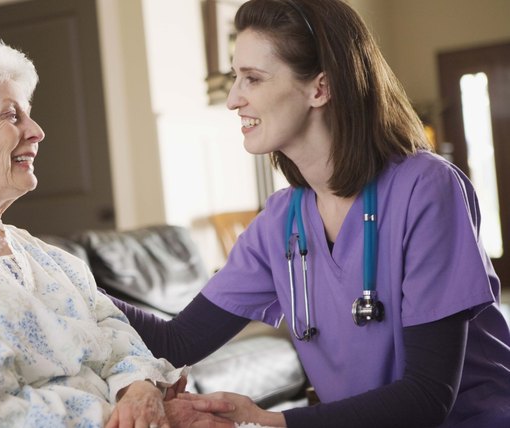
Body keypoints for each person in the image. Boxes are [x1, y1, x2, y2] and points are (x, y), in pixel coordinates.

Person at [112, 0, 510, 427]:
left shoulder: (426, 188)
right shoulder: (282, 220)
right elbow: (178, 339)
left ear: (319, 88)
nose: (233, 99)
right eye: (235, 78)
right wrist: (48, 270)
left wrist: (271, 422)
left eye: (253, 79)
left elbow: (428, 397)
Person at [0, 39, 222, 428]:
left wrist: (140, 390)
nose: (37, 131)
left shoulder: (43, 256)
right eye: (11, 116)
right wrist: (126, 416)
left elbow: (123, 343)